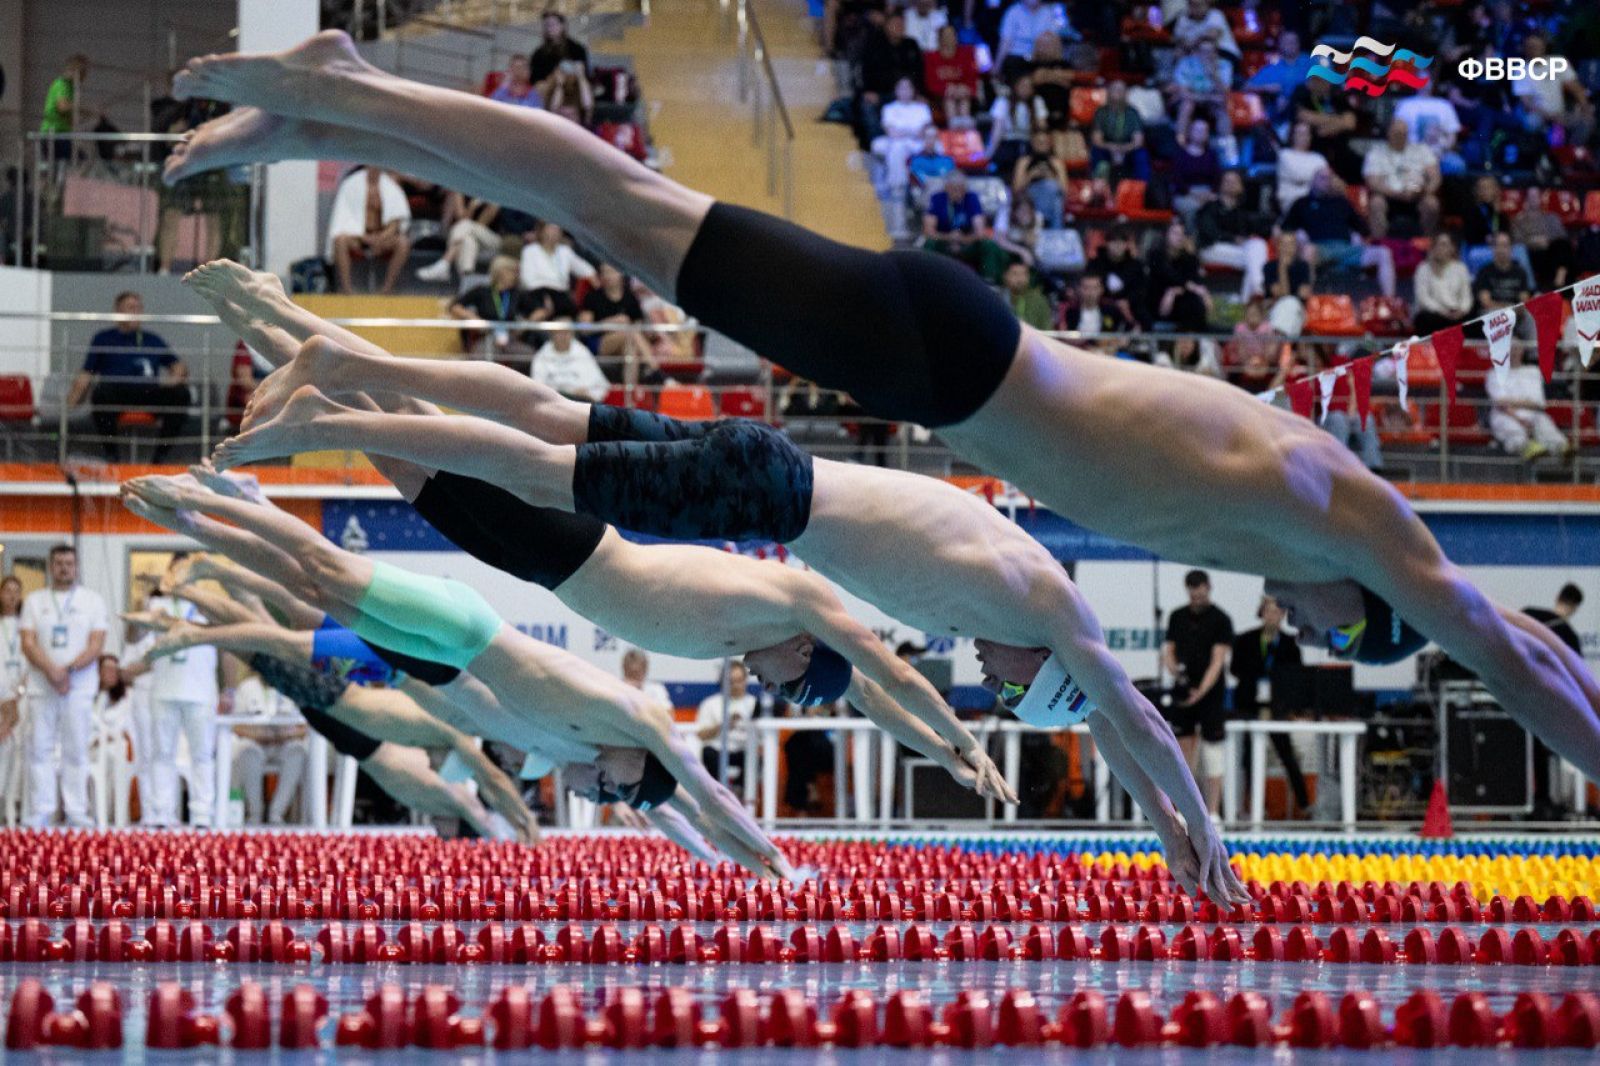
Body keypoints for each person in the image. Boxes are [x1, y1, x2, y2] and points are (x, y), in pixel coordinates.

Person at [161, 30, 1600, 826]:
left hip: (940, 368)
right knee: (622, 211)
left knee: (620, 228)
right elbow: (1516, 650)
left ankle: (341, 118)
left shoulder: (1276, 529)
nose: (1306, 629)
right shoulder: (1344, 514)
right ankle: (341, 96)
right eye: (1345, 635)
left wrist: (1168, 807)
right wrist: (1183, 816)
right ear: (1368, 605)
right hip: (953, 356)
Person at [210, 291, 1240, 904]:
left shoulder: (1014, 617)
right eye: (1011, 690)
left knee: (543, 419)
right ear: (1048, 671)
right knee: (532, 461)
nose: (988, 678)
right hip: (763, 490)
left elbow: (1108, 727)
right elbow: (1116, 712)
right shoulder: (1039, 608)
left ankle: (337, 358)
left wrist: (1161, 825)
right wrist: (960, 746)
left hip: (756, 475)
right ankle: (327, 407)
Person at [183, 265, 1016, 808]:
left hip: (544, 564)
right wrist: (961, 737)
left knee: (399, 450)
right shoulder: (797, 602)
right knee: (419, 422)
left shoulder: (766, 637)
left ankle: (271, 329)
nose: (765, 686)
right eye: (786, 685)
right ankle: (300, 350)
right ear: (803, 653)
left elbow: (869, 697)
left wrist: (939, 751)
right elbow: (886, 672)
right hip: (573, 541)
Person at [121, 474, 794, 880]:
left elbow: (669, 812)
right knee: (322, 573)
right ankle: (221, 502)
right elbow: (703, 799)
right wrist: (773, 862)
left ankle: (204, 521)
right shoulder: (630, 718)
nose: (602, 794)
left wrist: (712, 863)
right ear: (637, 762)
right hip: (464, 631)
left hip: (440, 664)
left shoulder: (579, 750)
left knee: (316, 592)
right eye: (616, 787)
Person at [17, 545, 108, 827]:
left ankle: (76, 810)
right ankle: (42, 809)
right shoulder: (34, 601)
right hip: (41, 686)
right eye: (58, 563)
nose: (64, 568)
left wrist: (67, 671)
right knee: (40, 748)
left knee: (76, 749)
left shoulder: (93, 601)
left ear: (77, 567)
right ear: (50, 566)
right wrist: (51, 670)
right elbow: (28, 642)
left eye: (69, 563)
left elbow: (96, 644)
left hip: (79, 688)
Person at [141, 552, 220, 827]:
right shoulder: (156, 604)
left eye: (186, 570)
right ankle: (161, 813)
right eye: (176, 570)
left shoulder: (209, 605)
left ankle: (202, 814)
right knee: (162, 753)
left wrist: (229, 690)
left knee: (202, 754)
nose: (181, 576)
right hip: (163, 689)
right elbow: (133, 638)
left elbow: (228, 647)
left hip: (201, 691)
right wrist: (142, 607)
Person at [65, 291, 190, 462]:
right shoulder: (103, 338)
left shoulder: (152, 340)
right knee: (100, 393)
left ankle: (159, 458)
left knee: (181, 394)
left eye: (139, 308)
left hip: (148, 393)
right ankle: (112, 456)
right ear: (118, 311)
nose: (136, 312)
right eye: (131, 307)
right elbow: (86, 373)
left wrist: (174, 378)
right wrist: (70, 404)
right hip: (117, 393)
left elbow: (179, 366)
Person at [1229, 595, 1310, 818]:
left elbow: (1295, 677)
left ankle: (1304, 804)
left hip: (1277, 707)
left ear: (1283, 614)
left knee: (1287, 754)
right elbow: (1235, 669)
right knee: (1249, 757)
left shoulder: (1290, 644)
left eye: (1277, 611)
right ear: (1262, 612)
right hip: (1250, 706)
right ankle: (1251, 805)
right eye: (1268, 611)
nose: (1272, 615)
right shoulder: (1245, 640)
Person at [1162, 570, 1232, 817]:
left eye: (1200, 591)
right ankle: (1185, 810)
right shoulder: (1177, 616)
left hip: (1209, 694)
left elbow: (1217, 662)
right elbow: (1169, 651)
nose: (1197, 596)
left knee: (1212, 753)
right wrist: (1176, 672)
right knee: (1183, 753)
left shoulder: (1221, 620)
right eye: (1192, 591)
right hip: (1184, 690)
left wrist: (1200, 692)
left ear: (1208, 588)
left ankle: (1212, 811)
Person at [1523, 582, 1587, 819]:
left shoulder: (1530, 616)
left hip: (1519, 694)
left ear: (1558, 596)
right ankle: (1544, 799)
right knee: (1546, 751)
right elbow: (1578, 680)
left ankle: (1528, 799)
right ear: (1575, 607)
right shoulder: (1569, 636)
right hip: (1550, 702)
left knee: (1523, 750)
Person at [1282, 167, 1396, 298]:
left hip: (1346, 249)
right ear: (1313, 181)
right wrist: (1299, 235)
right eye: (1322, 178)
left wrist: (1357, 235)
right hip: (1319, 248)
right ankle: (1304, 300)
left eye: (1329, 178)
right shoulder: (1301, 203)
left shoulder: (1342, 203)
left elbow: (1364, 229)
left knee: (1384, 253)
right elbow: (1286, 228)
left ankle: (1390, 301)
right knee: (1308, 251)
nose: (1326, 181)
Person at [228, 664, 308, 825]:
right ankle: (255, 813)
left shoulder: (293, 686)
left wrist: (283, 735)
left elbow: (306, 726)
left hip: (284, 742)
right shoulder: (246, 687)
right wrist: (260, 735)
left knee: (298, 751)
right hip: (255, 741)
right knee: (249, 752)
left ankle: (276, 814)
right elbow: (234, 725)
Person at [448, 255, 552, 363]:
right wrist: (474, 318)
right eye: (512, 271)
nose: (516, 275)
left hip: (511, 337)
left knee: (531, 358)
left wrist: (525, 324)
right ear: (500, 272)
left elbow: (540, 311)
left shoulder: (517, 293)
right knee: (479, 359)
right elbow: (455, 307)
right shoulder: (482, 291)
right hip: (487, 336)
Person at [326, 167, 411, 294]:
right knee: (340, 241)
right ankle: (347, 290)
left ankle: (386, 289)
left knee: (403, 243)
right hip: (357, 237)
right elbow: (344, 216)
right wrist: (362, 236)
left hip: (381, 237)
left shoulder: (391, 187)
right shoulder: (351, 185)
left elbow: (395, 222)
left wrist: (381, 237)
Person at [1486, 345, 1571, 461]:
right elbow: (1500, 402)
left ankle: (1562, 448)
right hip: (1506, 414)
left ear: (1522, 350)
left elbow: (1538, 403)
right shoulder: (1493, 373)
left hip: (1532, 412)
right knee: (1513, 429)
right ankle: (1528, 448)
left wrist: (1511, 402)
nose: (1513, 351)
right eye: (1509, 348)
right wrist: (1520, 418)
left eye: (1516, 348)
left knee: (1544, 424)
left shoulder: (1533, 371)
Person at [1195, 170, 1269, 300]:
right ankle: (1256, 292)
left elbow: (1254, 230)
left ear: (1241, 186)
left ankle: (1252, 294)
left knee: (1258, 246)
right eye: (1227, 181)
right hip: (1211, 248)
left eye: (1235, 181)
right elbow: (1209, 232)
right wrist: (1233, 238)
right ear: (1220, 185)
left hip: (1236, 251)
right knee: (1254, 260)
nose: (1231, 184)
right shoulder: (1210, 206)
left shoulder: (1242, 210)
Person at [1361, 119, 1441, 240]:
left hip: (1417, 195)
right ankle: (1379, 243)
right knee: (1376, 203)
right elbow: (1373, 182)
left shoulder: (1422, 150)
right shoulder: (1376, 153)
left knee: (1432, 203)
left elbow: (1435, 177)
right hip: (1388, 195)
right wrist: (1397, 194)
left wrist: (1425, 191)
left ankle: (1426, 241)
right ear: (1389, 133)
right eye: (1397, 133)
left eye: (1404, 133)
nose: (1401, 136)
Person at [417, 193, 502, 282]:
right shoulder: (460, 191)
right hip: (465, 236)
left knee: (465, 227)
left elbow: (480, 225)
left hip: (491, 240)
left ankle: (444, 263)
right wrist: (472, 207)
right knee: (468, 240)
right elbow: (460, 218)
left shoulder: (494, 193)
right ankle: (467, 279)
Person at [696, 660, 756, 783]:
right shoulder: (710, 704)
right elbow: (701, 735)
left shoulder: (755, 704)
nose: (736, 685)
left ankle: (740, 791)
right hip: (717, 749)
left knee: (754, 756)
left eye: (739, 680)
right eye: (731, 682)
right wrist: (723, 726)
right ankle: (717, 791)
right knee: (709, 753)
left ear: (745, 680)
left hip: (744, 750)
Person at [872, 78, 934, 194]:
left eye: (908, 88)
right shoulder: (889, 108)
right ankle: (898, 185)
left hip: (917, 142)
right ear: (896, 91)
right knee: (895, 147)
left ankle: (921, 184)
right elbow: (891, 132)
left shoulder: (922, 108)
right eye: (902, 88)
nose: (905, 91)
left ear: (913, 90)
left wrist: (904, 132)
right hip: (897, 142)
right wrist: (911, 132)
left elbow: (923, 132)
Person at [1147, 220, 1211, 332]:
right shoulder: (1156, 255)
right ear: (1167, 235)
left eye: (1182, 234)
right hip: (1159, 298)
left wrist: (1175, 291)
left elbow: (1195, 279)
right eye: (1175, 233)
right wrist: (1186, 286)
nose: (1179, 237)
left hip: (1181, 298)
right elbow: (1168, 276)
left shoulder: (1189, 258)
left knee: (1194, 303)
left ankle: (1194, 337)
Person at [530, 318, 609, 402]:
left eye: (566, 333)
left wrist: (588, 393)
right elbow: (538, 387)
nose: (563, 337)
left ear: (572, 334)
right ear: (552, 335)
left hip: (579, 400)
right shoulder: (542, 355)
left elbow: (598, 385)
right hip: (553, 401)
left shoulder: (582, 352)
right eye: (559, 333)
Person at [1086, 225, 1150, 330]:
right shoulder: (1095, 264)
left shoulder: (1136, 266)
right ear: (1107, 243)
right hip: (1101, 305)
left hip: (1130, 306)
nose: (1117, 246)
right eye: (1114, 242)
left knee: (1144, 316)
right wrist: (1110, 302)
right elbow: (1089, 286)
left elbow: (1141, 290)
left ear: (1126, 244)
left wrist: (1127, 301)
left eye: (1121, 242)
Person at [995, 0, 1075, 83]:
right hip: (1017, 58)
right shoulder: (1013, 12)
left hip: (1041, 58)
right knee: (1023, 78)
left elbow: (1055, 39)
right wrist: (997, 67)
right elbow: (1005, 42)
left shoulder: (1049, 12)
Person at [1411, 233, 1474, 335]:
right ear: (1433, 247)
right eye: (1438, 245)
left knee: (1473, 320)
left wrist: (1462, 310)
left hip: (1456, 313)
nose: (1441, 248)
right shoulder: (1423, 268)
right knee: (1425, 319)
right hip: (1434, 313)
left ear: (1452, 248)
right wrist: (1442, 311)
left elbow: (1466, 296)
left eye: (1444, 245)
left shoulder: (1461, 268)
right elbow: (1423, 299)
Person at [1088, 81, 1150, 183]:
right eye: (1115, 89)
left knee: (1141, 155)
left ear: (1126, 93)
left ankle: (1140, 188)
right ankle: (1099, 187)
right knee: (1096, 153)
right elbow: (1097, 140)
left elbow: (1138, 141)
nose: (1118, 92)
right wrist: (1111, 147)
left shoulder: (1133, 113)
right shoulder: (1101, 112)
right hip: (1107, 147)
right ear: (1109, 92)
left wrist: (1124, 149)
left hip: (1128, 148)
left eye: (1121, 90)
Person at [519, 220, 594, 302]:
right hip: (537, 292)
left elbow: (585, 269)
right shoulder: (530, 251)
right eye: (551, 229)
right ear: (542, 231)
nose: (555, 232)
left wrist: (592, 276)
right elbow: (527, 280)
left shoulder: (565, 251)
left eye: (557, 229)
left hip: (561, 294)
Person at [0, 577, 25, 820]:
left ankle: (16, 801)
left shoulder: (27, 626)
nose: (12, 596)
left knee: (21, 748)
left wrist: (19, 692)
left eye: (16, 591)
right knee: (3, 746)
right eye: (8, 591)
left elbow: (31, 661)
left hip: (22, 695)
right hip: (1, 696)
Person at [1011, 128, 1066, 229]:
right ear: (1033, 143)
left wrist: (1051, 177)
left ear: (1049, 143)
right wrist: (1031, 176)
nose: (1041, 146)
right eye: (1039, 143)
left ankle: (1056, 232)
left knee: (1057, 199)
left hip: (1051, 201)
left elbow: (1064, 190)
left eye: (1044, 143)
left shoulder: (1057, 163)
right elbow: (1016, 190)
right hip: (1030, 200)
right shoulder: (1023, 162)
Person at [922, 25, 976, 127]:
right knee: (949, 100)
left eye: (952, 35)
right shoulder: (931, 57)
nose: (950, 38)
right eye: (946, 35)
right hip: (940, 97)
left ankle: (966, 131)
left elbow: (972, 78)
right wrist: (946, 89)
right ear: (940, 38)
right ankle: (953, 130)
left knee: (964, 99)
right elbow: (930, 82)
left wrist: (964, 88)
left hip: (963, 95)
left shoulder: (967, 54)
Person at [40, 55, 88, 161]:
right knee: (81, 159)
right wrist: (85, 110)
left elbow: (69, 116)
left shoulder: (70, 88)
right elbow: (63, 106)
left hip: (62, 134)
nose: (84, 77)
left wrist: (86, 116)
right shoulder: (62, 84)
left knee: (78, 158)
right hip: (54, 135)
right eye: (83, 72)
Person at [1274, 124, 1328, 213]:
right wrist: (1317, 178)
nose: (1304, 137)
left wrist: (1314, 180)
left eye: (1306, 134)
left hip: (1317, 200)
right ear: (1293, 136)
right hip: (1292, 201)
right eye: (1300, 133)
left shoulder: (1318, 157)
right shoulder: (1285, 154)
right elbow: (1298, 175)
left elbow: (1327, 178)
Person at [1474, 231, 1532, 314]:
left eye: (1505, 245)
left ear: (1511, 248)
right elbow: (1486, 302)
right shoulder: (1484, 272)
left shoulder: (1520, 272)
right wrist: (1507, 308)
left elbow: (1524, 300)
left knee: (1529, 315)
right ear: (1493, 248)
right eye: (1497, 245)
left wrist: (1514, 310)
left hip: (1516, 312)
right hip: (1493, 313)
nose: (1501, 250)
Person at [529, 10, 590, 87]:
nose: (549, 28)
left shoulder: (576, 49)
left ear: (562, 25)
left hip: (571, 87)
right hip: (548, 88)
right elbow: (534, 79)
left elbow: (584, 75)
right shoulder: (539, 53)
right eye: (547, 25)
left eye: (553, 24)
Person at [1525, 585, 1584, 658]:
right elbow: (1576, 664)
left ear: (1557, 598)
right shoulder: (1571, 638)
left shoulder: (1528, 614)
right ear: (1575, 607)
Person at [1001, 260, 1052, 331]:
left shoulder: (1038, 300)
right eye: (1015, 274)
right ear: (1005, 276)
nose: (1020, 279)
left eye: (1024, 274)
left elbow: (1047, 328)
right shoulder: (997, 299)